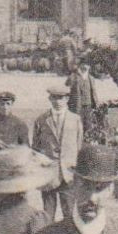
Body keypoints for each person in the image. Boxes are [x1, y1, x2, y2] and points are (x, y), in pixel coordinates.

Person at [31, 82, 83, 221]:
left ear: (67, 99)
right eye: (54, 98)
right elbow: (35, 149)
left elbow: (79, 147)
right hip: (48, 174)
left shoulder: (75, 120)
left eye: (61, 98)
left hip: (69, 174)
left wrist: (77, 170)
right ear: (50, 99)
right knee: (48, 214)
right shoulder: (41, 120)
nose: (58, 101)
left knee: (70, 213)